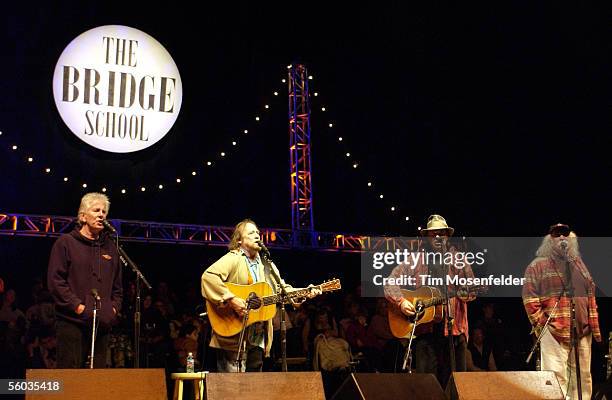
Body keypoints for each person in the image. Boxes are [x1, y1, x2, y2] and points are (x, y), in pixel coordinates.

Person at [201, 218, 320, 372]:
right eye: (251, 233)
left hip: (258, 336)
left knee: (254, 385)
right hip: (233, 333)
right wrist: (231, 299)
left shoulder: (266, 264)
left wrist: (306, 292)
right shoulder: (234, 258)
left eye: (257, 232)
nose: (257, 235)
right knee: (233, 389)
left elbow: (282, 290)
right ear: (239, 241)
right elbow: (209, 277)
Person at [384, 214, 476, 385]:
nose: (439, 237)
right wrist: (402, 302)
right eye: (434, 234)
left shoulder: (459, 260)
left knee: (456, 385)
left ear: (448, 237)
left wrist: (467, 293)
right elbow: (390, 282)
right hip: (425, 331)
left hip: (454, 332)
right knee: (427, 385)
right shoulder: (415, 259)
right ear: (426, 238)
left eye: (442, 233)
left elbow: (471, 291)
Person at [522, 223, 601, 400]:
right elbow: (529, 298)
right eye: (557, 235)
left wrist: (590, 322)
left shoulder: (578, 264)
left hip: (582, 331)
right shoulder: (538, 266)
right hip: (554, 331)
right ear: (549, 240)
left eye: (565, 234)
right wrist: (543, 323)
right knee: (555, 379)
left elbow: (590, 292)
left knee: (583, 380)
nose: (562, 238)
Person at [47, 192, 123, 368]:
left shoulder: (111, 248)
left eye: (104, 212)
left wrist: (113, 310)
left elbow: (118, 288)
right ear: (82, 216)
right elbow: (55, 281)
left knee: (96, 381)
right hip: (71, 322)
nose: (101, 215)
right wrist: (78, 307)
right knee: (71, 379)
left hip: (101, 324)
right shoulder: (66, 242)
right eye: (96, 210)